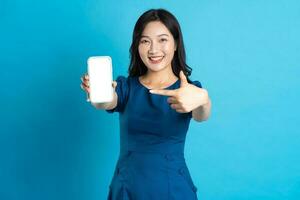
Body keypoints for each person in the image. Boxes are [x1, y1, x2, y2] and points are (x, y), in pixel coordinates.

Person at [81, 8, 211, 200]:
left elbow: (201, 114)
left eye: (162, 40)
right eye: (145, 41)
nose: (153, 49)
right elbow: (107, 101)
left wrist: (203, 98)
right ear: (137, 46)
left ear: (175, 43)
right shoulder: (126, 88)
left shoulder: (188, 90)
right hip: (127, 189)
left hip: (172, 189)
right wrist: (98, 93)